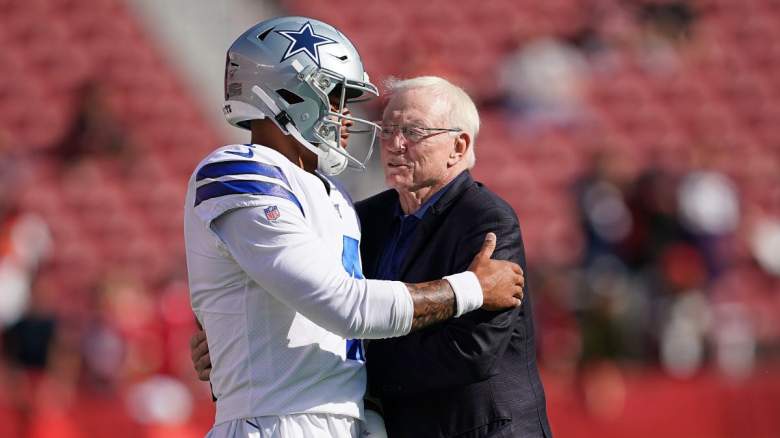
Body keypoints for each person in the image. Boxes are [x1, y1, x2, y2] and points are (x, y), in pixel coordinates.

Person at [184, 17, 524, 438]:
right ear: (288, 91)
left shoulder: (337, 197)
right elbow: (342, 305)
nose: (346, 115)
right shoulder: (238, 170)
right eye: (335, 96)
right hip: (274, 422)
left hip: (347, 420)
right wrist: (470, 288)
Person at [357, 76, 552, 438]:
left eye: (413, 131)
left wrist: (358, 369)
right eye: (386, 129)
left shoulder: (486, 219)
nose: (394, 144)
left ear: (458, 146)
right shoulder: (363, 219)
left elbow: (471, 349)